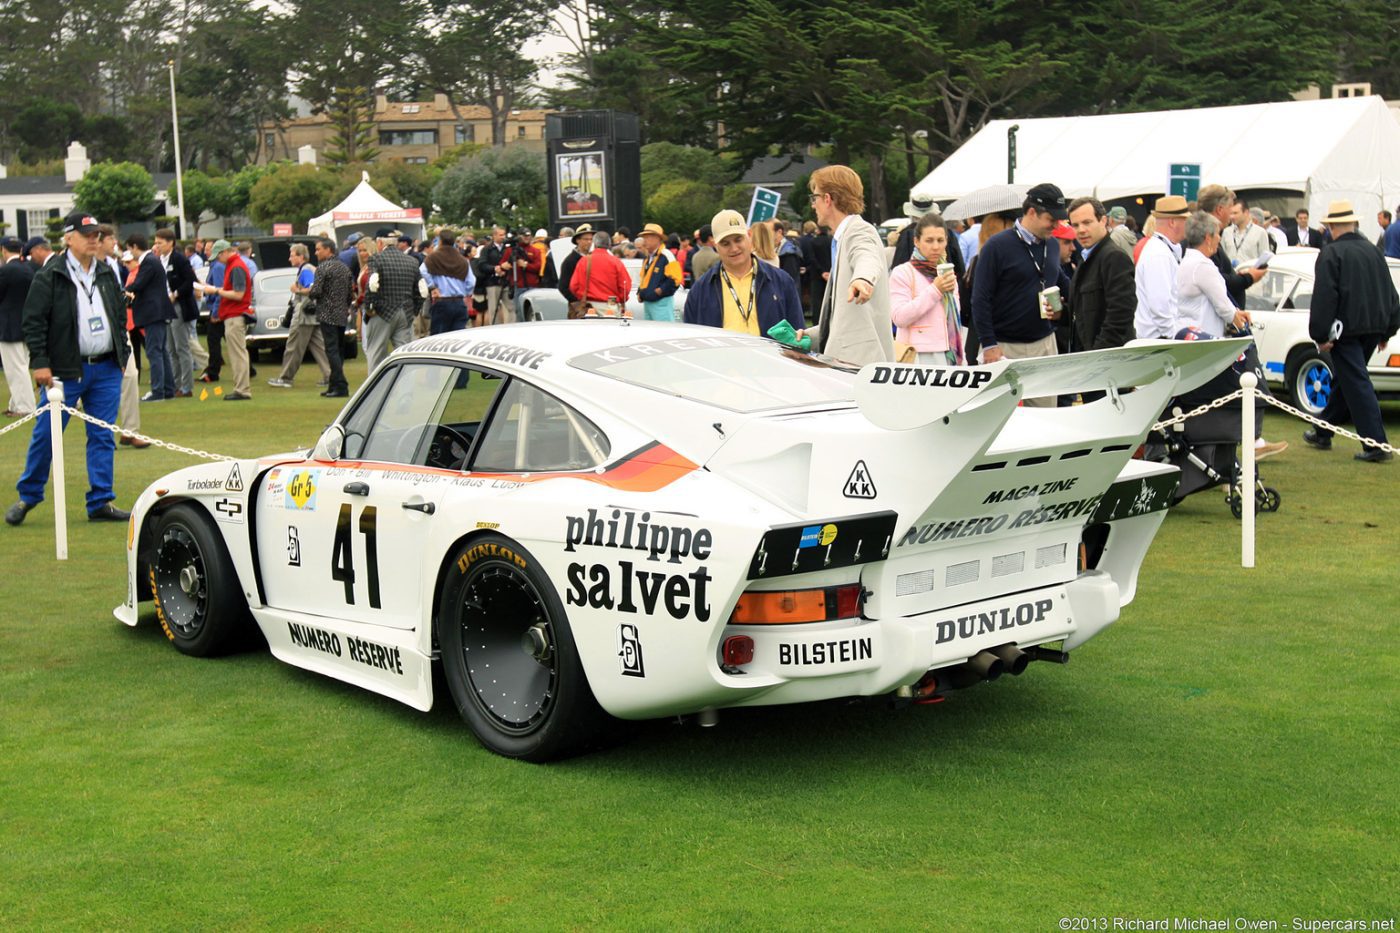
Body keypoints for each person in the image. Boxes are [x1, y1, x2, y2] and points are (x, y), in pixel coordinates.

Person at [5, 212, 131, 526]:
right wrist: (40, 362)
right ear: (68, 238)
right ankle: (28, 496)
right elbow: (33, 321)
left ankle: (101, 500)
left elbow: (117, 313)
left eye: (96, 234)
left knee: (102, 436)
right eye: (86, 234)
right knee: (46, 435)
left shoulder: (105, 271)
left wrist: (123, 352)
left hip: (105, 367)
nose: (94, 239)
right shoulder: (51, 275)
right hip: (64, 369)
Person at [1302, 199, 1400, 462]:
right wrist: (1388, 329)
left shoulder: (1331, 254)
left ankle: (1376, 444)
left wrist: (1320, 335)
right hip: (1373, 327)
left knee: (1356, 383)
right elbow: (1390, 292)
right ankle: (1323, 430)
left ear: (1331, 226)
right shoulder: (1373, 251)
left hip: (1345, 330)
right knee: (1348, 381)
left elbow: (1325, 296)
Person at [970, 183, 1071, 387]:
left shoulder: (1051, 244)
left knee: (1046, 415)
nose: (1056, 226)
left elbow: (1063, 283)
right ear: (1032, 212)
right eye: (1051, 219)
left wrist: (1066, 310)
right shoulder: (996, 246)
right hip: (1004, 348)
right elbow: (980, 299)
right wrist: (989, 344)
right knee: (1005, 417)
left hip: (1045, 345)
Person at [802, 165, 894, 365]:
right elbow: (846, 320)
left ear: (827, 199)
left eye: (814, 197)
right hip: (851, 364)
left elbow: (866, 256)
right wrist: (809, 337)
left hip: (860, 368)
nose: (813, 205)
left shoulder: (859, 230)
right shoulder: (843, 236)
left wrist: (863, 278)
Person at [683, 209, 804, 335]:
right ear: (716, 246)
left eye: (738, 240)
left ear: (749, 236)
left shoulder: (781, 281)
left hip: (769, 354)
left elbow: (798, 334)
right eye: (725, 244)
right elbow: (693, 339)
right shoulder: (700, 291)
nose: (734, 248)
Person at [888, 214, 963, 365]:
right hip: (917, 357)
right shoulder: (903, 272)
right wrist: (936, 290)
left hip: (950, 354)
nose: (935, 246)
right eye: (929, 240)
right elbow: (899, 317)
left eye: (940, 240)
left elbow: (954, 319)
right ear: (916, 241)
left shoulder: (947, 272)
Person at [1067, 197, 1136, 352]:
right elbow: (1085, 312)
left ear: (1103, 220)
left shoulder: (1113, 257)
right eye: (1075, 225)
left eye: (1087, 222)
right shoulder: (1087, 256)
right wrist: (1062, 314)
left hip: (1108, 362)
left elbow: (1121, 315)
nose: (1081, 230)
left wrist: (1098, 357)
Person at [123, 233, 177, 402]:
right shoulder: (153, 261)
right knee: (161, 351)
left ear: (134, 247)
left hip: (153, 312)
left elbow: (139, 284)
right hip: (158, 311)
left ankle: (158, 391)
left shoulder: (148, 262)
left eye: (129, 249)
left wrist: (125, 291)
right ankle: (167, 389)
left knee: (154, 351)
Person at [268, 243, 331, 389]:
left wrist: (296, 290)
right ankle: (331, 376)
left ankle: (286, 378)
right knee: (319, 347)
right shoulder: (308, 269)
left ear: (301, 256)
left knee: (294, 346)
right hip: (313, 314)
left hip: (304, 315)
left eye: (292, 255)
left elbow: (311, 289)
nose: (289, 258)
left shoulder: (306, 269)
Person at [1176, 211, 1247, 339]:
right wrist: (1240, 322)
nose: (1219, 238)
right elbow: (1223, 306)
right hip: (1204, 337)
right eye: (1218, 234)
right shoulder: (1203, 266)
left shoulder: (1186, 261)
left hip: (1185, 332)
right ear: (1208, 238)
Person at [197, 240, 253, 400]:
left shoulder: (236, 266)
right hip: (232, 315)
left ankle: (242, 390)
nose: (217, 260)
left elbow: (238, 294)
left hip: (235, 314)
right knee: (237, 353)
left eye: (218, 256)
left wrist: (216, 290)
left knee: (238, 354)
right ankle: (240, 388)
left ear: (224, 252)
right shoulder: (234, 265)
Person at [361, 231, 420, 371]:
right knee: (404, 356)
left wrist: (369, 308)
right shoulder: (412, 261)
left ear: (380, 243)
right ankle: (406, 390)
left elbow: (373, 285)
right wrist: (415, 310)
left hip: (382, 313)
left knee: (376, 354)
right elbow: (421, 290)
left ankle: (375, 391)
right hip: (405, 312)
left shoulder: (376, 259)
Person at [1134, 195, 1189, 338]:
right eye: (1185, 219)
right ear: (1172, 222)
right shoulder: (1159, 254)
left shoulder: (1161, 250)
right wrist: (1174, 337)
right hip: (1159, 341)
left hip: (1159, 338)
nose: (1188, 224)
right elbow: (1160, 307)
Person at [155, 228, 200, 398]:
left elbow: (190, 281)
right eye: (156, 242)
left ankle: (187, 387)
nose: (157, 246)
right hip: (165, 306)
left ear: (170, 242)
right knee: (170, 348)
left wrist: (175, 294)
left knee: (182, 347)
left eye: (160, 243)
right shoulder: (159, 259)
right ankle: (176, 384)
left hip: (179, 305)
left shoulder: (179, 259)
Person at [307, 238, 351, 397]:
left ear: (328, 250)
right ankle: (334, 384)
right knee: (338, 350)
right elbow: (349, 294)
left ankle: (340, 385)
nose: (316, 252)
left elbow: (316, 291)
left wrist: (308, 291)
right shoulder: (344, 268)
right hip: (341, 314)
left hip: (327, 313)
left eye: (319, 249)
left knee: (331, 350)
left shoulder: (323, 268)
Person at [1, 236, 37, 416]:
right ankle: (16, 403)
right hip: (27, 323)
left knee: (15, 368)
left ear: (4, 250)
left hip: (8, 326)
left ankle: (25, 407)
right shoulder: (29, 268)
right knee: (21, 365)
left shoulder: (6, 270)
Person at [421, 227, 475, 334]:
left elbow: (422, 270)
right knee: (458, 339)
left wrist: (432, 286)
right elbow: (471, 281)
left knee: (439, 338)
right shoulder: (462, 260)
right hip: (459, 301)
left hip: (442, 301)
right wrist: (466, 292)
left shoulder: (433, 257)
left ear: (440, 241)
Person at [569, 232, 631, 313]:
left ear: (594, 244)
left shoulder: (584, 261)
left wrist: (582, 296)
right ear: (609, 245)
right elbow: (625, 286)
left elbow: (574, 286)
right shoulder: (616, 262)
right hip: (611, 304)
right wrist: (621, 299)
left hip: (589, 306)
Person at [635, 223, 682, 322]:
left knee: (664, 333)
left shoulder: (666, 255)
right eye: (644, 237)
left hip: (661, 303)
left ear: (657, 238)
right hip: (648, 303)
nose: (644, 240)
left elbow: (676, 279)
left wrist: (660, 291)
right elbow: (643, 278)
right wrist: (640, 292)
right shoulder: (648, 258)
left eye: (647, 237)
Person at [557, 224, 594, 317]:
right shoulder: (570, 261)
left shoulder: (593, 257)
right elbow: (563, 286)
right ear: (577, 240)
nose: (589, 242)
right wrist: (576, 303)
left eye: (591, 239)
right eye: (586, 239)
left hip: (594, 305)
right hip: (578, 308)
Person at [1222, 198, 1271, 267]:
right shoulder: (1226, 232)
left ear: (1246, 212)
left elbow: (1264, 261)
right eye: (1230, 213)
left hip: (1250, 275)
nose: (1232, 217)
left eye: (1235, 213)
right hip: (1231, 276)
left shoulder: (1260, 232)